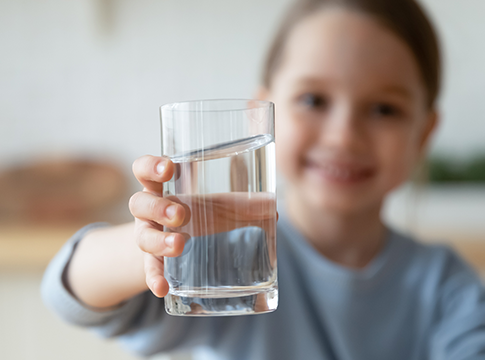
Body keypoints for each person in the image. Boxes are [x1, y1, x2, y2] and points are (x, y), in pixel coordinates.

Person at [41, 0, 485, 359]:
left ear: (424, 133)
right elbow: (72, 294)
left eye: (384, 109)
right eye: (313, 99)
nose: (344, 136)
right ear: (262, 113)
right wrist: (146, 244)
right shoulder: (230, 257)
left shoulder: (448, 287)